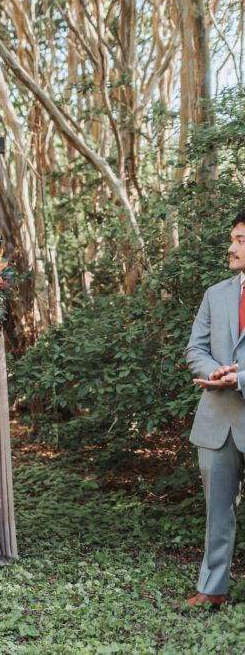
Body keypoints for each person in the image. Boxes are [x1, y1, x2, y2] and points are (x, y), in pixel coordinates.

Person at [180, 209, 245, 609]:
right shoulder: (215, 294)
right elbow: (195, 350)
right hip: (218, 421)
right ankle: (212, 590)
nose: (231, 247)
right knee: (217, 513)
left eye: (240, 240)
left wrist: (241, 378)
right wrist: (215, 372)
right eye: (233, 239)